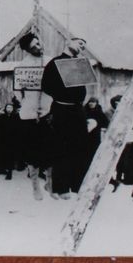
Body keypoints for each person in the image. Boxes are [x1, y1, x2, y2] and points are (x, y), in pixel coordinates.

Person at [40, 37, 94, 197]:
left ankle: (77, 186)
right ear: (68, 42)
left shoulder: (80, 63)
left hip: (78, 110)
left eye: (84, 46)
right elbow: (46, 86)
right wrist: (62, 93)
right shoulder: (54, 62)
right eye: (79, 43)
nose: (82, 46)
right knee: (62, 148)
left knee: (80, 147)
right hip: (62, 109)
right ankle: (61, 188)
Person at [0, 99, 22, 181]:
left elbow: (18, 129)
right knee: (0, 155)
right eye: (8, 108)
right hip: (2, 140)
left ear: (13, 109)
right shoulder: (2, 117)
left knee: (10, 157)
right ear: (5, 108)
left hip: (11, 141)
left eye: (10, 108)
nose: (9, 109)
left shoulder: (16, 117)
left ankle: (9, 173)